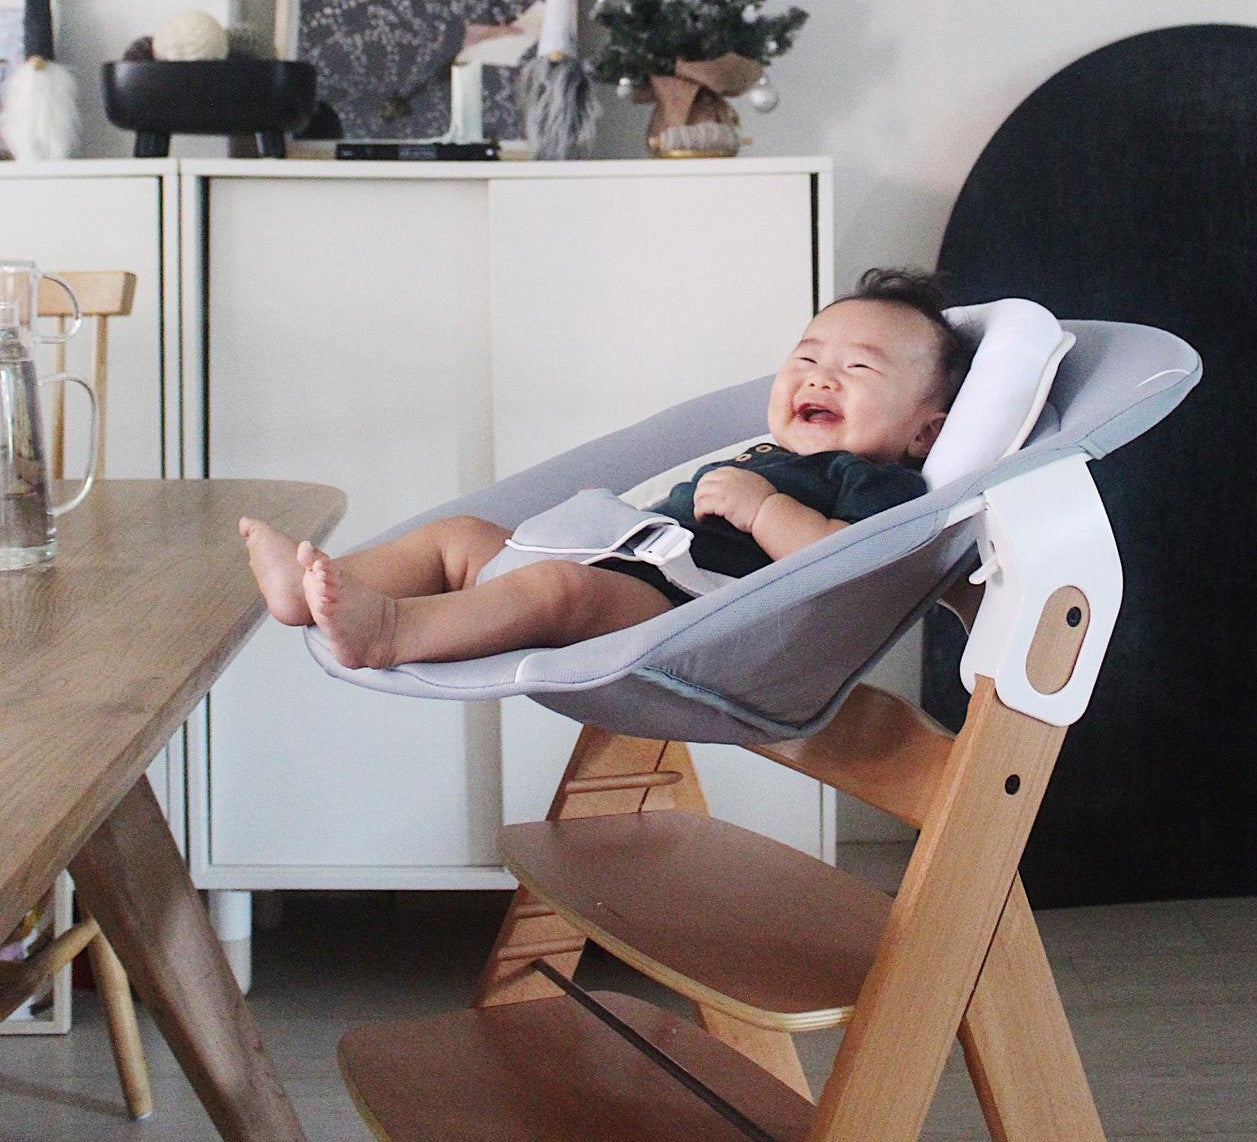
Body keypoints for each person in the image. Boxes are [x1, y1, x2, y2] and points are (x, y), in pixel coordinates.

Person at [241, 268, 975, 670]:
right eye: (807, 358)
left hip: (686, 610)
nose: (819, 377)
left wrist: (760, 512)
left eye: (856, 368)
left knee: (558, 590)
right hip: (622, 552)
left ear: (923, 433)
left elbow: (844, 566)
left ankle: (392, 632)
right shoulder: (767, 452)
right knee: (459, 536)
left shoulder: (875, 481)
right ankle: (312, 594)